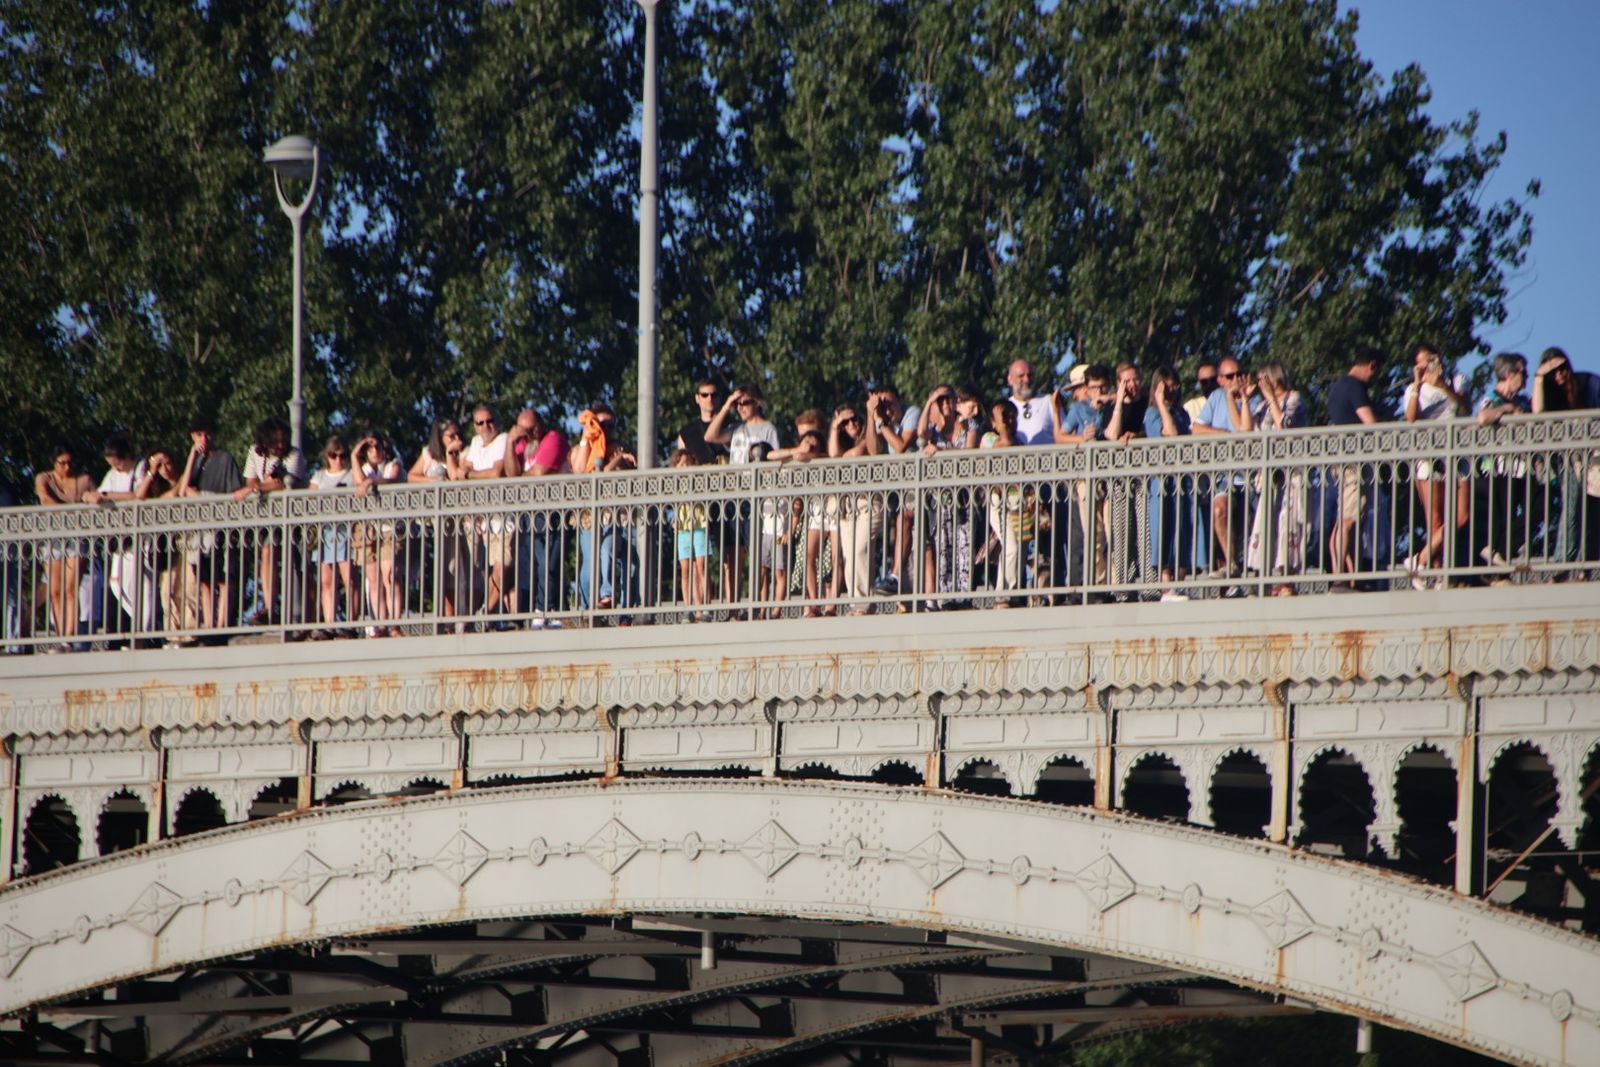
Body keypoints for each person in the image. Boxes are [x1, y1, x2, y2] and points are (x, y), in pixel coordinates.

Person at [1400, 344, 1469, 587]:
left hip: (1457, 455)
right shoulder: (1413, 389)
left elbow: (1464, 408)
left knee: (1462, 515)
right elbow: (1410, 418)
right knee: (1436, 519)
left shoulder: (1456, 380)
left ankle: (1419, 559)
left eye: (1432, 359)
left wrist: (1443, 385)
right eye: (1423, 362)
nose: (1429, 365)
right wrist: (1418, 385)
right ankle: (1437, 574)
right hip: (1429, 456)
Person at [1191, 357, 1265, 580]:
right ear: (1221, 380)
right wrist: (1225, 436)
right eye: (1230, 376)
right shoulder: (1215, 397)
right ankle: (1231, 563)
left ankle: (1248, 569)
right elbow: (1197, 428)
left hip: (1251, 475)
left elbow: (1244, 433)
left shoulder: (1253, 400)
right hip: (1224, 474)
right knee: (1219, 510)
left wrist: (1239, 399)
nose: (1237, 380)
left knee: (1248, 526)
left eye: (1239, 374)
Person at [705, 384, 779, 607]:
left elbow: (775, 460)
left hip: (756, 498)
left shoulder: (768, 429)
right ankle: (733, 607)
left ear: (757, 402)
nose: (741, 407)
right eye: (738, 404)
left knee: (757, 555)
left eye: (745, 402)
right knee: (731, 556)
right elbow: (711, 435)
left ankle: (757, 605)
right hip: (732, 498)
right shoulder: (736, 428)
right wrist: (727, 403)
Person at [1242, 361, 1309, 595]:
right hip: (1269, 477)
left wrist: (1272, 400)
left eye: (1264, 379)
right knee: (1267, 524)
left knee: (1287, 524)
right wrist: (1243, 401)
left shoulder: (1294, 399)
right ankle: (1267, 578)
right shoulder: (1260, 405)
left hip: (1291, 475)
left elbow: (1287, 426)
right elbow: (1247, 433)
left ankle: (1286, 580)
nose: (1261, 384)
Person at [178, 414, 245, 638]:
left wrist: (201, 495)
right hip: (200, 530)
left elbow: (234, 493)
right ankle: (208, 625)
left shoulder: (225, 459)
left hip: (221, 528)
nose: (203, 439)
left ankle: (222, 624)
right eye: (198, 435)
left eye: (207, 434)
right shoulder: (197, 463)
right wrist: (191, 456)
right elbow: (183, 490)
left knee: (223, 577)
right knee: (204, 579)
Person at [570, 403, 639, 619]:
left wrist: (619, 458)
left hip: (617, 519)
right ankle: (587, 609)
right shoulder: (582, 449)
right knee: (590, 565)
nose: (606, 430)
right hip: (591, 518)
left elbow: (616, 476)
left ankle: (621, 608)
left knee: (615, 554)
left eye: (611, 425)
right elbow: (583, 471)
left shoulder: (621, 448)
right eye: (601, 424)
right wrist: (586, 438)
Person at [238, 417, 308, 627]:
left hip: (293, 517)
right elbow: (251, 480)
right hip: (267, 517)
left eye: (283, 441)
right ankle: (269, 607)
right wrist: (259, 485)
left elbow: (283, 484)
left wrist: (256, 488)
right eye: (275, 442)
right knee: (266, 553)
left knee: (296, 564)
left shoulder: (294, 455)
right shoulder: (255, 453)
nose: (280, 446)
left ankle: (300, 614)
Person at [1533, 347, 1598, 568]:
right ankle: (1562, 564)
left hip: (1593, 455)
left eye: (1562, 369)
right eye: (1553, 372)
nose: (1559, 375)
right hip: (1568, 457)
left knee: (1591, 509)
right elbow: (1538, 414)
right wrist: (1540, 377)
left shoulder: (1588, 382)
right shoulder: (1549, 391)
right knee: (1571, 507)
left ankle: (1585, 563)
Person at [505, 407, 571, 625]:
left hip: (552, 512)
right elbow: (511, 473)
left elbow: (539, 473)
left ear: (540, 425)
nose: (530, 433)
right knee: (532, 565)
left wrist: (521, 478)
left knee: (549, 563)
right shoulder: (523, 444)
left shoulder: (553, 438)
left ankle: (546, 610)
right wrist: (509, 443)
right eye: (524, 430)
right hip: (529, 512)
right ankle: (540, 610)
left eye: (532, 428)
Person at [86, 432, 156, 639]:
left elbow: (136, 495)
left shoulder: (141, 467)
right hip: (121, 539)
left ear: (126, 456)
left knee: (142, 584)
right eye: (112, 464)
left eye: (118, 463)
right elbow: (100, 492)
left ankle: (146, 630)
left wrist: (106, 497)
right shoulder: (112, 475)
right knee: (117, 584)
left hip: (140, 536)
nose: (116, 468)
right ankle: (141, 624)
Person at [1326, 347, 1383, 590]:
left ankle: (1350, 576)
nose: (1375, 377)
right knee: (1348, 520)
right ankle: (1340, 577)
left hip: (1342, 460)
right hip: (1353, 463)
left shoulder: (1338, 386)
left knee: (1345, 521)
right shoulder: (1355, 387)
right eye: (1376, 371)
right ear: (1371, 365)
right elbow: (1369, 423)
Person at [918, 385, 979, 609]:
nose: (945, 405)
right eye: (940, 401)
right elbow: (920, 433)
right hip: (942, 496)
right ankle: (946, 597)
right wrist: (929, 401)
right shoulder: (934, 431)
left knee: (963, 543)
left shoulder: (969, 426)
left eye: (949, 400)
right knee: (943, 544)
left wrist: (941, 453)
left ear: (956, 402)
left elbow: (969, 451)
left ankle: (963, 596)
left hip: (963, 495)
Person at [1473, 352, 1533, 576]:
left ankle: (1498, 561)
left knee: (1520, 515)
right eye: (1522, 373)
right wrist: (1506, 410)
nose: (1525, 377)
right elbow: (1483, 417)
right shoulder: (1494, 396)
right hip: (1497, 467)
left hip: (1520, 468)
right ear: (1509, 374)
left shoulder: (1524, 400)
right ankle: (1493, 570)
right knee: (1500, 518)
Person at [1142, 367, 1195, 600]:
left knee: (1181, 529)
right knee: (1163, 529)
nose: (1172, 390)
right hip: (1162, 483)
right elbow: (1170, 435)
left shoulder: (1182, 413)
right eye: (1167, 385)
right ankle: (1165, 585)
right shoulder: (1153, 414)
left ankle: (1178, 583)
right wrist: (1161, 404)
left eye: (1175, 385)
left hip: (1181, 481)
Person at [408, 417, 468, 622]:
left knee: (454, 568)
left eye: (458, 433)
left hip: (457, 518)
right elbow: (412, 476)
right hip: (434, 522)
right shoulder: (429, 454)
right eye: (451, 435)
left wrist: (453, 455)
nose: (456, 438)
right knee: (438, 567)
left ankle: (454, 615)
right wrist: (434, 480)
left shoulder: (464, 454)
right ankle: (441, 613)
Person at [34, 444, 93, 649]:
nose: (67, 467)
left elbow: (94, 497)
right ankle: (60, 635)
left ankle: (68, 637)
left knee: (70, 589)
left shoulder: (83, 480)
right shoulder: (45, 478)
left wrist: (90, 500)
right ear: (54, 463)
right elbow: (45, 499)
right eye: (62, 463)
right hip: (53, 537)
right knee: (55, 590)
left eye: (70, 462)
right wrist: (72, 510)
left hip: (76, 537)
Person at [352, 433, 406, 634]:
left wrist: (371, 483)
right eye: (370, 448)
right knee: (373, 579)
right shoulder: (366, 469)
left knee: (390, 575)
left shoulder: (394, 464)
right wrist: (353, 456)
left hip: (390, 527)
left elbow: (391, 480)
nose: (375, 452)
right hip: (369, 529)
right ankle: (381, 624)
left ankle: (395, 624)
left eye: (378, 447)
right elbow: (359, 482)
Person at [462, 405, 512, 623]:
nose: (485, 426)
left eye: (489, 420)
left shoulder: (503, 439)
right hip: (479, 517)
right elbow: (459, 473)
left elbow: (496, 473)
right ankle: (485, 615)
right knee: (480, 571)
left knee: (503, 563)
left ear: (497, 421)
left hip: (502, 515)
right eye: (480, 423)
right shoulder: (475, 443)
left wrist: (470, 474)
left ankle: (486, 614)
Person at [309, 436, 357, 638]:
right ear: (326, 456)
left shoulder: (352, 475)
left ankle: (351, 624)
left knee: (349, 578)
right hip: (325, 532)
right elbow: (308, 501)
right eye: (333, 455)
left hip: (346, 531)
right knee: (326, 580)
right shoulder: (318, 476)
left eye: (342, 455)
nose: (338, 460)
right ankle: (329, 624)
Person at [669, 448, 711, 619]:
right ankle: (688, 607)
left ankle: (705, 606)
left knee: (701, 565)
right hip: (683, 527)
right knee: (685, 568)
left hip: (699, 523)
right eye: (681, 464)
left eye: (687, 463)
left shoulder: (699, 479)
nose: (685, 467)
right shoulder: (675, 483)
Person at [674, 380, 729, 465]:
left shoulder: (731, 426)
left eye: (714, 395)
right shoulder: (686, 433)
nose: (709, 399)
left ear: (719, 397)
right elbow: (681, 464)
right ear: (697, 398)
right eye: (704, 395)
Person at [1006, 360, 1054, 445]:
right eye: (1021, 376)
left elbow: (1064, 432)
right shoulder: (1005, 407)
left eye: (1030, 375)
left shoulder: (1049, 401)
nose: (1026, 379)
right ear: (1010, 380)